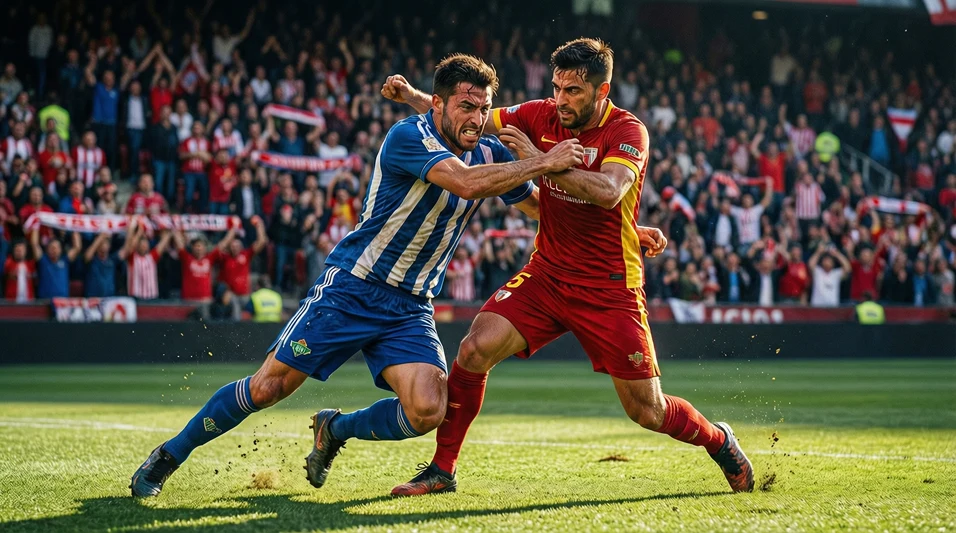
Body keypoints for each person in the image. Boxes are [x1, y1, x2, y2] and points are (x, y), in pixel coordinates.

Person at [129, 53, 585, 498]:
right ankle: (168, 456)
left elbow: (537, 208)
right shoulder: (408, 136)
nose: (477, 118)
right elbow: (466, 183)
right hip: (352, 288)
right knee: (269, 387)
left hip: (409, 307)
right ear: (439, 104)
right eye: (467, 106)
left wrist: (618, 225)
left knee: (428, 410)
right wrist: (545, 161)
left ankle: (335, 428)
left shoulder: (487, 149)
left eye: (484, 109)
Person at [384, 38, 753, 497]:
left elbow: (607, 192)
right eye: (557, 87)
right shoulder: (541, 114)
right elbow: (470, 118)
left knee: (647, 411)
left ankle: (720, 440)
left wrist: (540, 164)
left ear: (602, 91)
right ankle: (442, 470)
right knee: (475, 348)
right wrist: (414, 97)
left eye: (574, 91)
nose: (561, 100)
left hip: (610, 287)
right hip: (548, 274)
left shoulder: (628, 131)